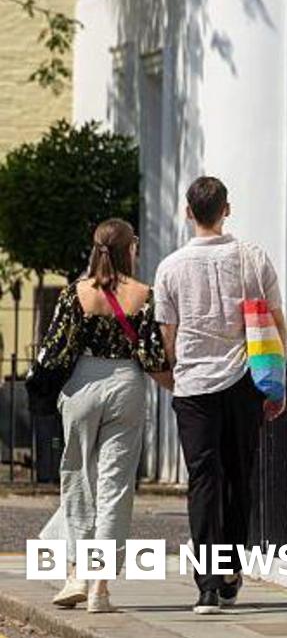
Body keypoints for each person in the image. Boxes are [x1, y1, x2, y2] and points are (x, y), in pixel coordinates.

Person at [154, 176, 287, 615]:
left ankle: (207, 584)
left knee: (203, 481)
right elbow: (276, 323)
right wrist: (277, 382)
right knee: (239, 477)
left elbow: (167, 337)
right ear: (226, 209)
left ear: (188, 212)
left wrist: (175, 378)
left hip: (193, 385)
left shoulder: (169, 267)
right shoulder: (254, 258)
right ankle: (230, 571)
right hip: (245, 380)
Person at [34, 218, 173, 613]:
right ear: (130, 249)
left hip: (81, 384)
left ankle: (76, 572)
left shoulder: (75, 294)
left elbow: (56, 351)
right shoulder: (144, 295)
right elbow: (151, 355)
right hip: (126, 385)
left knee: (77, 479)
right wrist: (179, 385)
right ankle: (99, 588)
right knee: (115, 488)